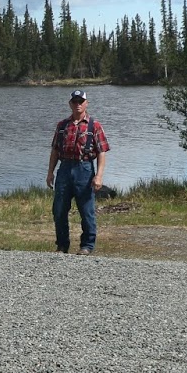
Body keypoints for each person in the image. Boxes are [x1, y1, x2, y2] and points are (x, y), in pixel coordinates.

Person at [46, 89, 110, 254]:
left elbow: (102, 152)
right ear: (70, 104)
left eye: (81, 101)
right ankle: (62, 245)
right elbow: (54, 150)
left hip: (85, 169)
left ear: (86, 103)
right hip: (64, 169)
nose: (77, 105)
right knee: (59, 209)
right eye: (74, 102)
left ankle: (87, 246)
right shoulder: (62, 126)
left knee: (86, 211)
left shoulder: (94, 125)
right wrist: (50, 172)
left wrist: (99, 176)